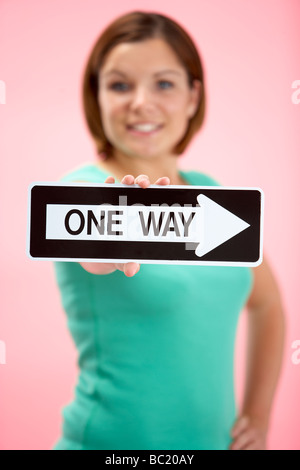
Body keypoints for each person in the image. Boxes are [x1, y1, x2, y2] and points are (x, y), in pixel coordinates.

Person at [53, 11, 285, 450]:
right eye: (120, 85)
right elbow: (91, 254)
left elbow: (268, 301)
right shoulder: (79, 192)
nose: (141, 102)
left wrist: (258, 413)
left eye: (164, 83)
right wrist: (115, 244)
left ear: (193, 96)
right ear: (96, 96)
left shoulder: (212, 194)